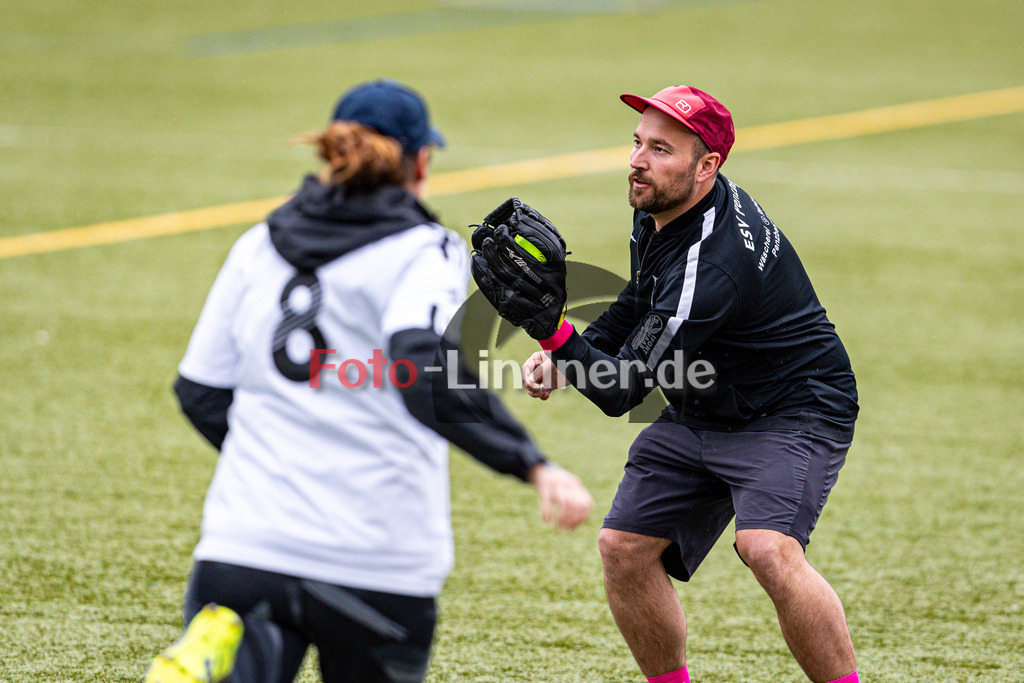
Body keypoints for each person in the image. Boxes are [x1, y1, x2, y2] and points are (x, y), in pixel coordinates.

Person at [145, 79, 593, 683]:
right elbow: (420, 365)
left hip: (245, 547)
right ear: (421, 163)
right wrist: (530, 462)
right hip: (375, 563)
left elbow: (199, 391)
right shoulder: (423, 250)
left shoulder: (258, 245)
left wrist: (280, 461)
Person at [519, 85, 860, 683]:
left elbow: (623, 390)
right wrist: (570, 352)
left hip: (794, 408)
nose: (638, 161)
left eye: (661, 150)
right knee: (624, 548)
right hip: (706, 401)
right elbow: (641, 299)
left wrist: (557, 336)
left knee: (768, 550)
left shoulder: (713, 264)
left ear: (707, 166)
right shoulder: (662, 204)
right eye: (638, 143)